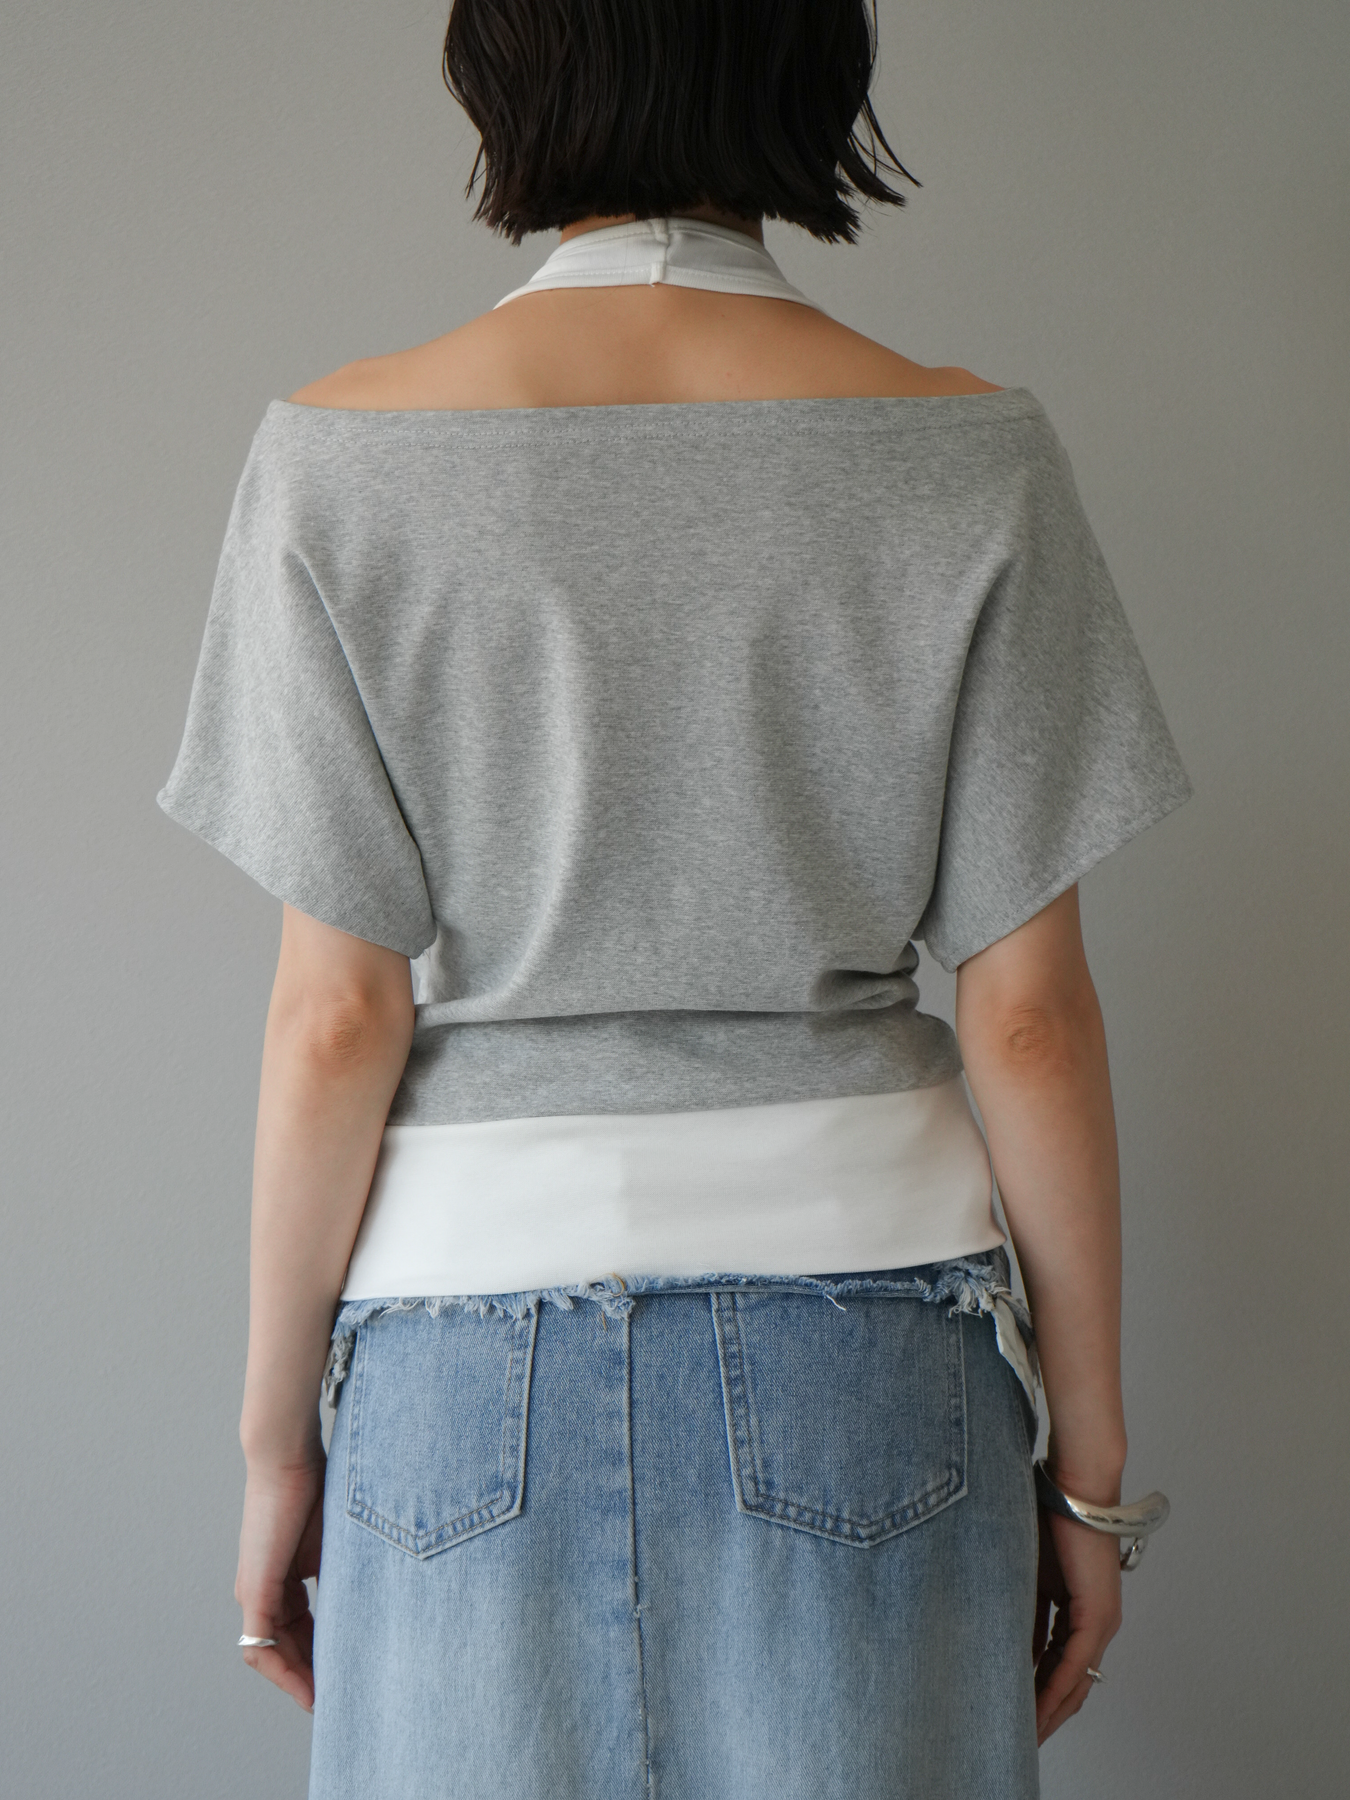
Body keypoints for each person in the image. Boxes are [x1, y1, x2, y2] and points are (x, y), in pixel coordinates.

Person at [158, 3, 1190, 1795]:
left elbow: (336, 1017)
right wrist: (1087, 1481)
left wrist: (275, 1458)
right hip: (875, 1342)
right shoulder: (969, 451)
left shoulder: (335, 456)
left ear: (504, 79)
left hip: (459, 1368)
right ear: (809, 77)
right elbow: (1024, 1016)